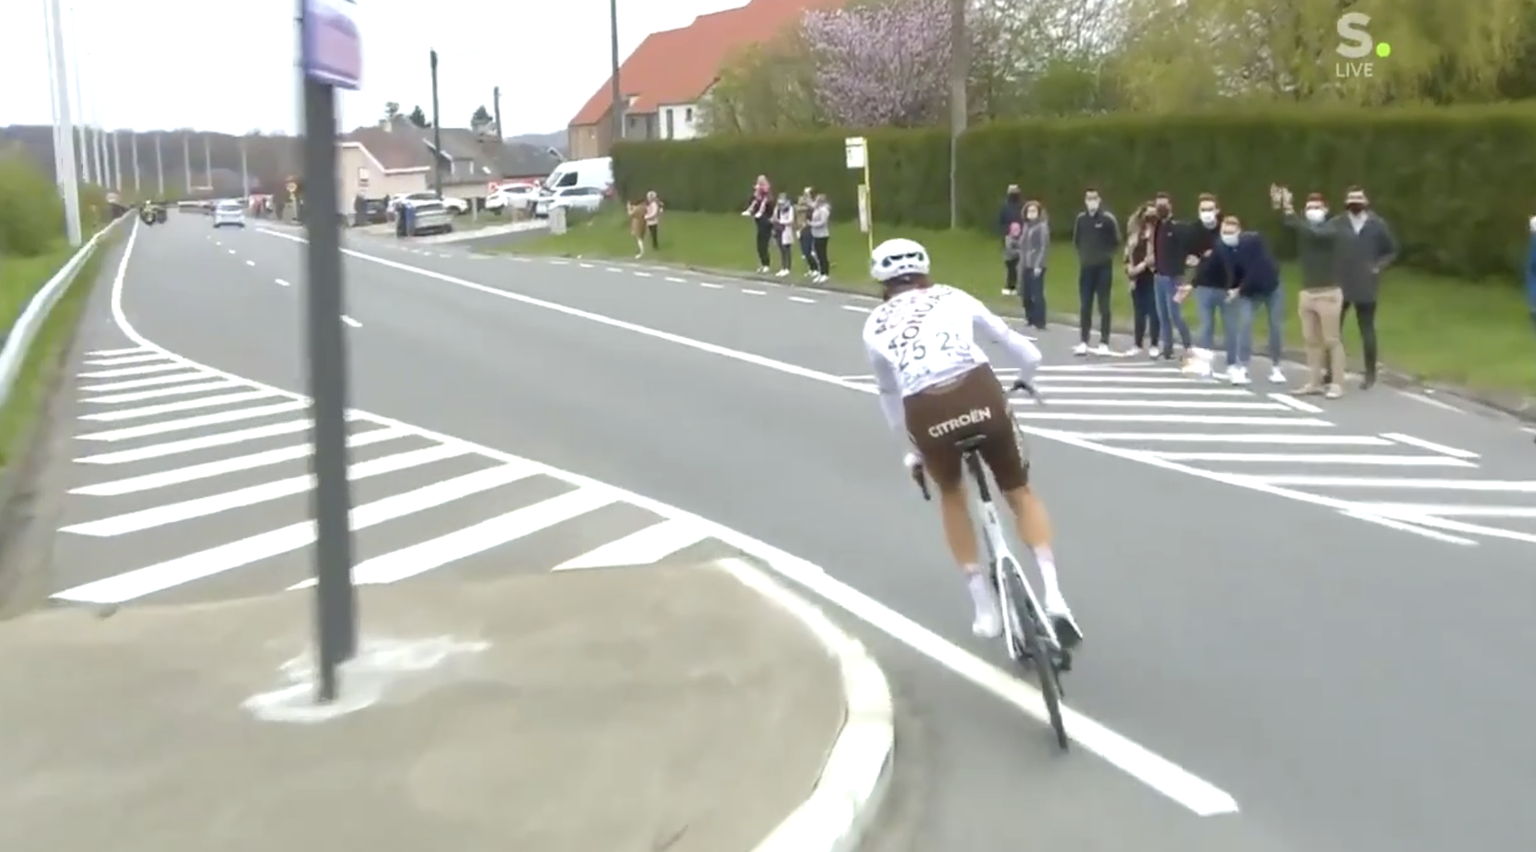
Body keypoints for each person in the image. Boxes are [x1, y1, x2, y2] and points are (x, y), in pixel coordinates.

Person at [861, 237, 1082, 644]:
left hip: (925, 411)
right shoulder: (952, 296)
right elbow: (1026, 353)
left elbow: (889, 397)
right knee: (1018, 491)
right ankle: (1054, 597)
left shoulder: (873, 325)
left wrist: (914, 451)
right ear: (925, 270)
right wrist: (1025, 380)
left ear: (881, 280)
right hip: (978, 392)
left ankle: (983, 607)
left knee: (950, 494)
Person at [1276, 186, 1345, 398]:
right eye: (1309, 207)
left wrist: (1291, 212)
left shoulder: (1332, 226)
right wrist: (1283, 204)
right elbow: (1289, 222)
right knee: (1310, 340)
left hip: (1328, 293)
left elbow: (1314, 232)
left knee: (1331, 340)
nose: (1312, 210)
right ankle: (1314, 381)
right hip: (1307, 293)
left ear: (1325, 209)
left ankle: (1337, 384)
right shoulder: (1304, 227)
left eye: (1317, 207)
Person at [1329, 186, 1398, 389]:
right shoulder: (1337, 223)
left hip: (1366, 283)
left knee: (1366, 328)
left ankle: (1370, 373)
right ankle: (1331, 371)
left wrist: (1378, 266)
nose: (1354, 203)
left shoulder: (1377, 224)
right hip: (1340, 282)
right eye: (1351, 199)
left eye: (1358, 199)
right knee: (1333, 330)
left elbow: (1391, 250)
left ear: (1366, 202)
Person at [1183, 193, 1244, 382]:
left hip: (1227, 286)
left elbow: (1237, 254)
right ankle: (1205, 364)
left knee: (1231, 327)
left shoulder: (1226, 228)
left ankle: (1233, 365)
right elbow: (1189, 255)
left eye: (1210, 209)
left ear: (1217, 210)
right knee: (1206, 326)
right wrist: (1193, 261)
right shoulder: (1193, 230)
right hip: (1203, 284)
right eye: (1203, 210)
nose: (1207, 213)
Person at [1219, 215, 1280, 379]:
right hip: (1249, 291)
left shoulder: (1251, 243)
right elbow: (1232, 272)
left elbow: (1255, 271)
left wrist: (1238, 290)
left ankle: (1276, 367)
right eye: (1224, 232)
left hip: (1270, 286)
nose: (1228, 235)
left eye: (1231, 232)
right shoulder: (1225, 249)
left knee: (1275, 325)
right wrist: (1231, 288)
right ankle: (1242, 365)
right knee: (1245, 324)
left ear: (1239, 231)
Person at [1071, 188, 1121, 355]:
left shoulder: (1107, 219)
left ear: (1099, 201)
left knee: (1104, 304)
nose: (1091, 202)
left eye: (1094, 199)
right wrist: (1085, 256)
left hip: (1103, 268)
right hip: (1086, 267)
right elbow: (1076, 240)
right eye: (1088, 199)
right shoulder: (1081, 219)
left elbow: (1116, 242)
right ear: (1085, 201)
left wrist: (1105, 256)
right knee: (1085, 304)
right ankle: (1083, 341)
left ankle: (1104, 342)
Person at [1150, 192, 1193, 362]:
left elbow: (1188, 246)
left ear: (1170, 207)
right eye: (1158, 205)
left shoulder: (1177, 227)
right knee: (1163, 315)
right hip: (1159, 276)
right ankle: (1167, 349)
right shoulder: (1157, 226)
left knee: (1175, 314)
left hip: (1174, 277)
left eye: (1163, 205)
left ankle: (1188, 345)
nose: (1160, 209)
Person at [1124, 202, 1161, 356]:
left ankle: (1154, 344)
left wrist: (1143, 265)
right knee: (1139, 311)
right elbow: (1127, 255)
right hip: (1137, 279)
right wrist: (1130, 272)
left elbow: (1156, 257)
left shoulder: (1158, 235)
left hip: (1153, 276)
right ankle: (1137, 344)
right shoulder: (1135, 235)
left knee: (1154, 310)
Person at [1020, 200, 1050, 329]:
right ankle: (1030, 318)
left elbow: (1044, 246)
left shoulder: (1042, 227)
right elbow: (1023, 245)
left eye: (1034, 211)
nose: (1031, 214)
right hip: (1025, 263)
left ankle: (1040, 321)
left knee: (1037, 293)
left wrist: (1038, 264)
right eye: (1029, 211)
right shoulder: (1026, 226)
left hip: (1036, 263)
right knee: (1025, 293)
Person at [741, 175, 774, 273]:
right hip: (759, 221)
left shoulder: (768, 196)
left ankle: (766, 264)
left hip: (766, 222)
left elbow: (770, 205)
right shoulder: (757, 196)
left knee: (764, 243)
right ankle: (762, 263)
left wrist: (762, 196)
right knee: (759, 244)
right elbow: (752, 202)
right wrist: (755, 195)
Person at [997, 184, 1025, 295]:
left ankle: (1020, 287)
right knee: (1010, 263)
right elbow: (1001, 221)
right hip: (1009, 238)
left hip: (1022, 237)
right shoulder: (1005, 206)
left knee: (1021, 263)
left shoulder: (1023, 206)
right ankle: (1011, 286)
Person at [809, 193, 832, 284]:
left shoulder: (824, 210)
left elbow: (823, 222)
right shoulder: (817, 209)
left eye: (817, 200)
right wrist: (807, 195)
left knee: (822, 255)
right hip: (816, 234)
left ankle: (825, 273)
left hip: (823, 235)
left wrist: (812, 224)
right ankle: (820, 272)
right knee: (817, 254)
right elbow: (810, 204)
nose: (816, 202)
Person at [772, 192, 796, 277]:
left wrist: (781, 222)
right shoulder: (777, 208)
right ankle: (783, 267)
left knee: (786, 250)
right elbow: (775, 216)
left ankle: (787, 268)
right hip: (778, 230)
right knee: (781, 250)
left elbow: (791, 220)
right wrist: (774, 220)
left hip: (786, 230)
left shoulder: (790, 208)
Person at [797, 187, 817, 277]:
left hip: (809, 228)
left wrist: (807, 197)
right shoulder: (804, 205)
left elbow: (811, 206)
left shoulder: (813, 206)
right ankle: (811, 268)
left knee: (808, 250)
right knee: (805, 251)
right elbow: (798, 207)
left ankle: (815, 268)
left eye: (807, 194)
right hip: (802, 228)